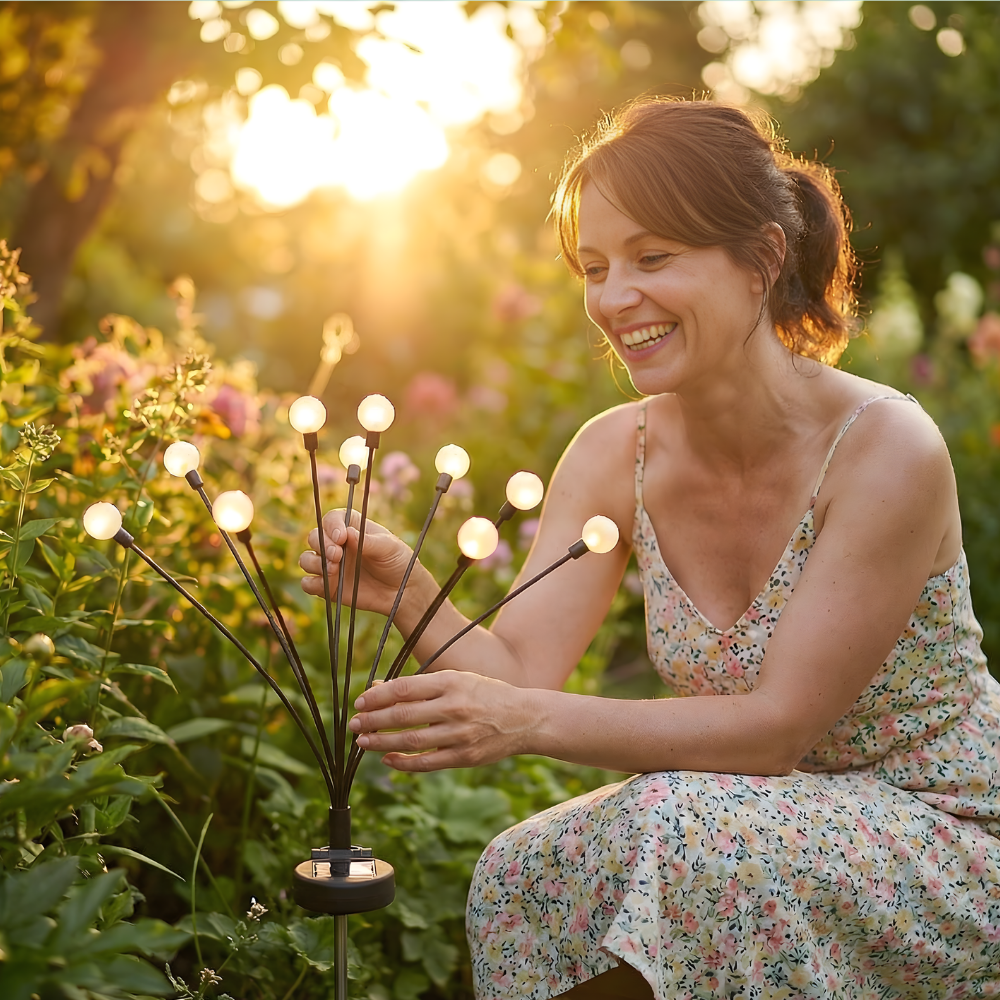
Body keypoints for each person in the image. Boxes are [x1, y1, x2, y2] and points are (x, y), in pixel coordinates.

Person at [300, 99, 1000, 999]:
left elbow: (776, 728)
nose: (613, 297)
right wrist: (410, 591)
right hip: (758, 828)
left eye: (654, 257)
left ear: (762, 259)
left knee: (675, 831)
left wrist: (525, 725)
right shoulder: (610, 452)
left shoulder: (883, 448)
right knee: (524, 866)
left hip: (948, 837)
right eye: (594, 267)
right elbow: (519, 665)